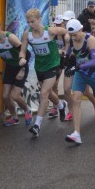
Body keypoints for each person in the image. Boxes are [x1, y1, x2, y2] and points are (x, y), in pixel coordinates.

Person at [19, 9, 67, 137]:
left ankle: (37, 125)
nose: (30, 24)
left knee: (44, 94)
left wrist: (64, 47)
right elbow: (22, 51)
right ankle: (61, 105)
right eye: (28, 22)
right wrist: (22, 58)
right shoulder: (27, 34)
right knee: (49, 94)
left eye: (33, 21)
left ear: (39, 19)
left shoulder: (50, 31)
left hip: (53, 65)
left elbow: (64, 31)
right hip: (39, 67)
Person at [65, 19, 95, 144]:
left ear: (81, 30)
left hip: (94, 73)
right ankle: (76, 133)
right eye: (71, 35)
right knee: (76, 99)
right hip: (80, 73)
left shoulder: (89, 39)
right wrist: (67, 63)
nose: (73, 37)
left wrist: (78, 66)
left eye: (75, 34)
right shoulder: (71, 40)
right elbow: (68, 55)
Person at [0, 17, 33, 126]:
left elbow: (27, 53)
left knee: (15, 95)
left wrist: (22, 69)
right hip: (10, 67)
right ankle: (14, 117)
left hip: (21, 66)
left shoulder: (10, 38)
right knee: (5, 96)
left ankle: (27, 110)